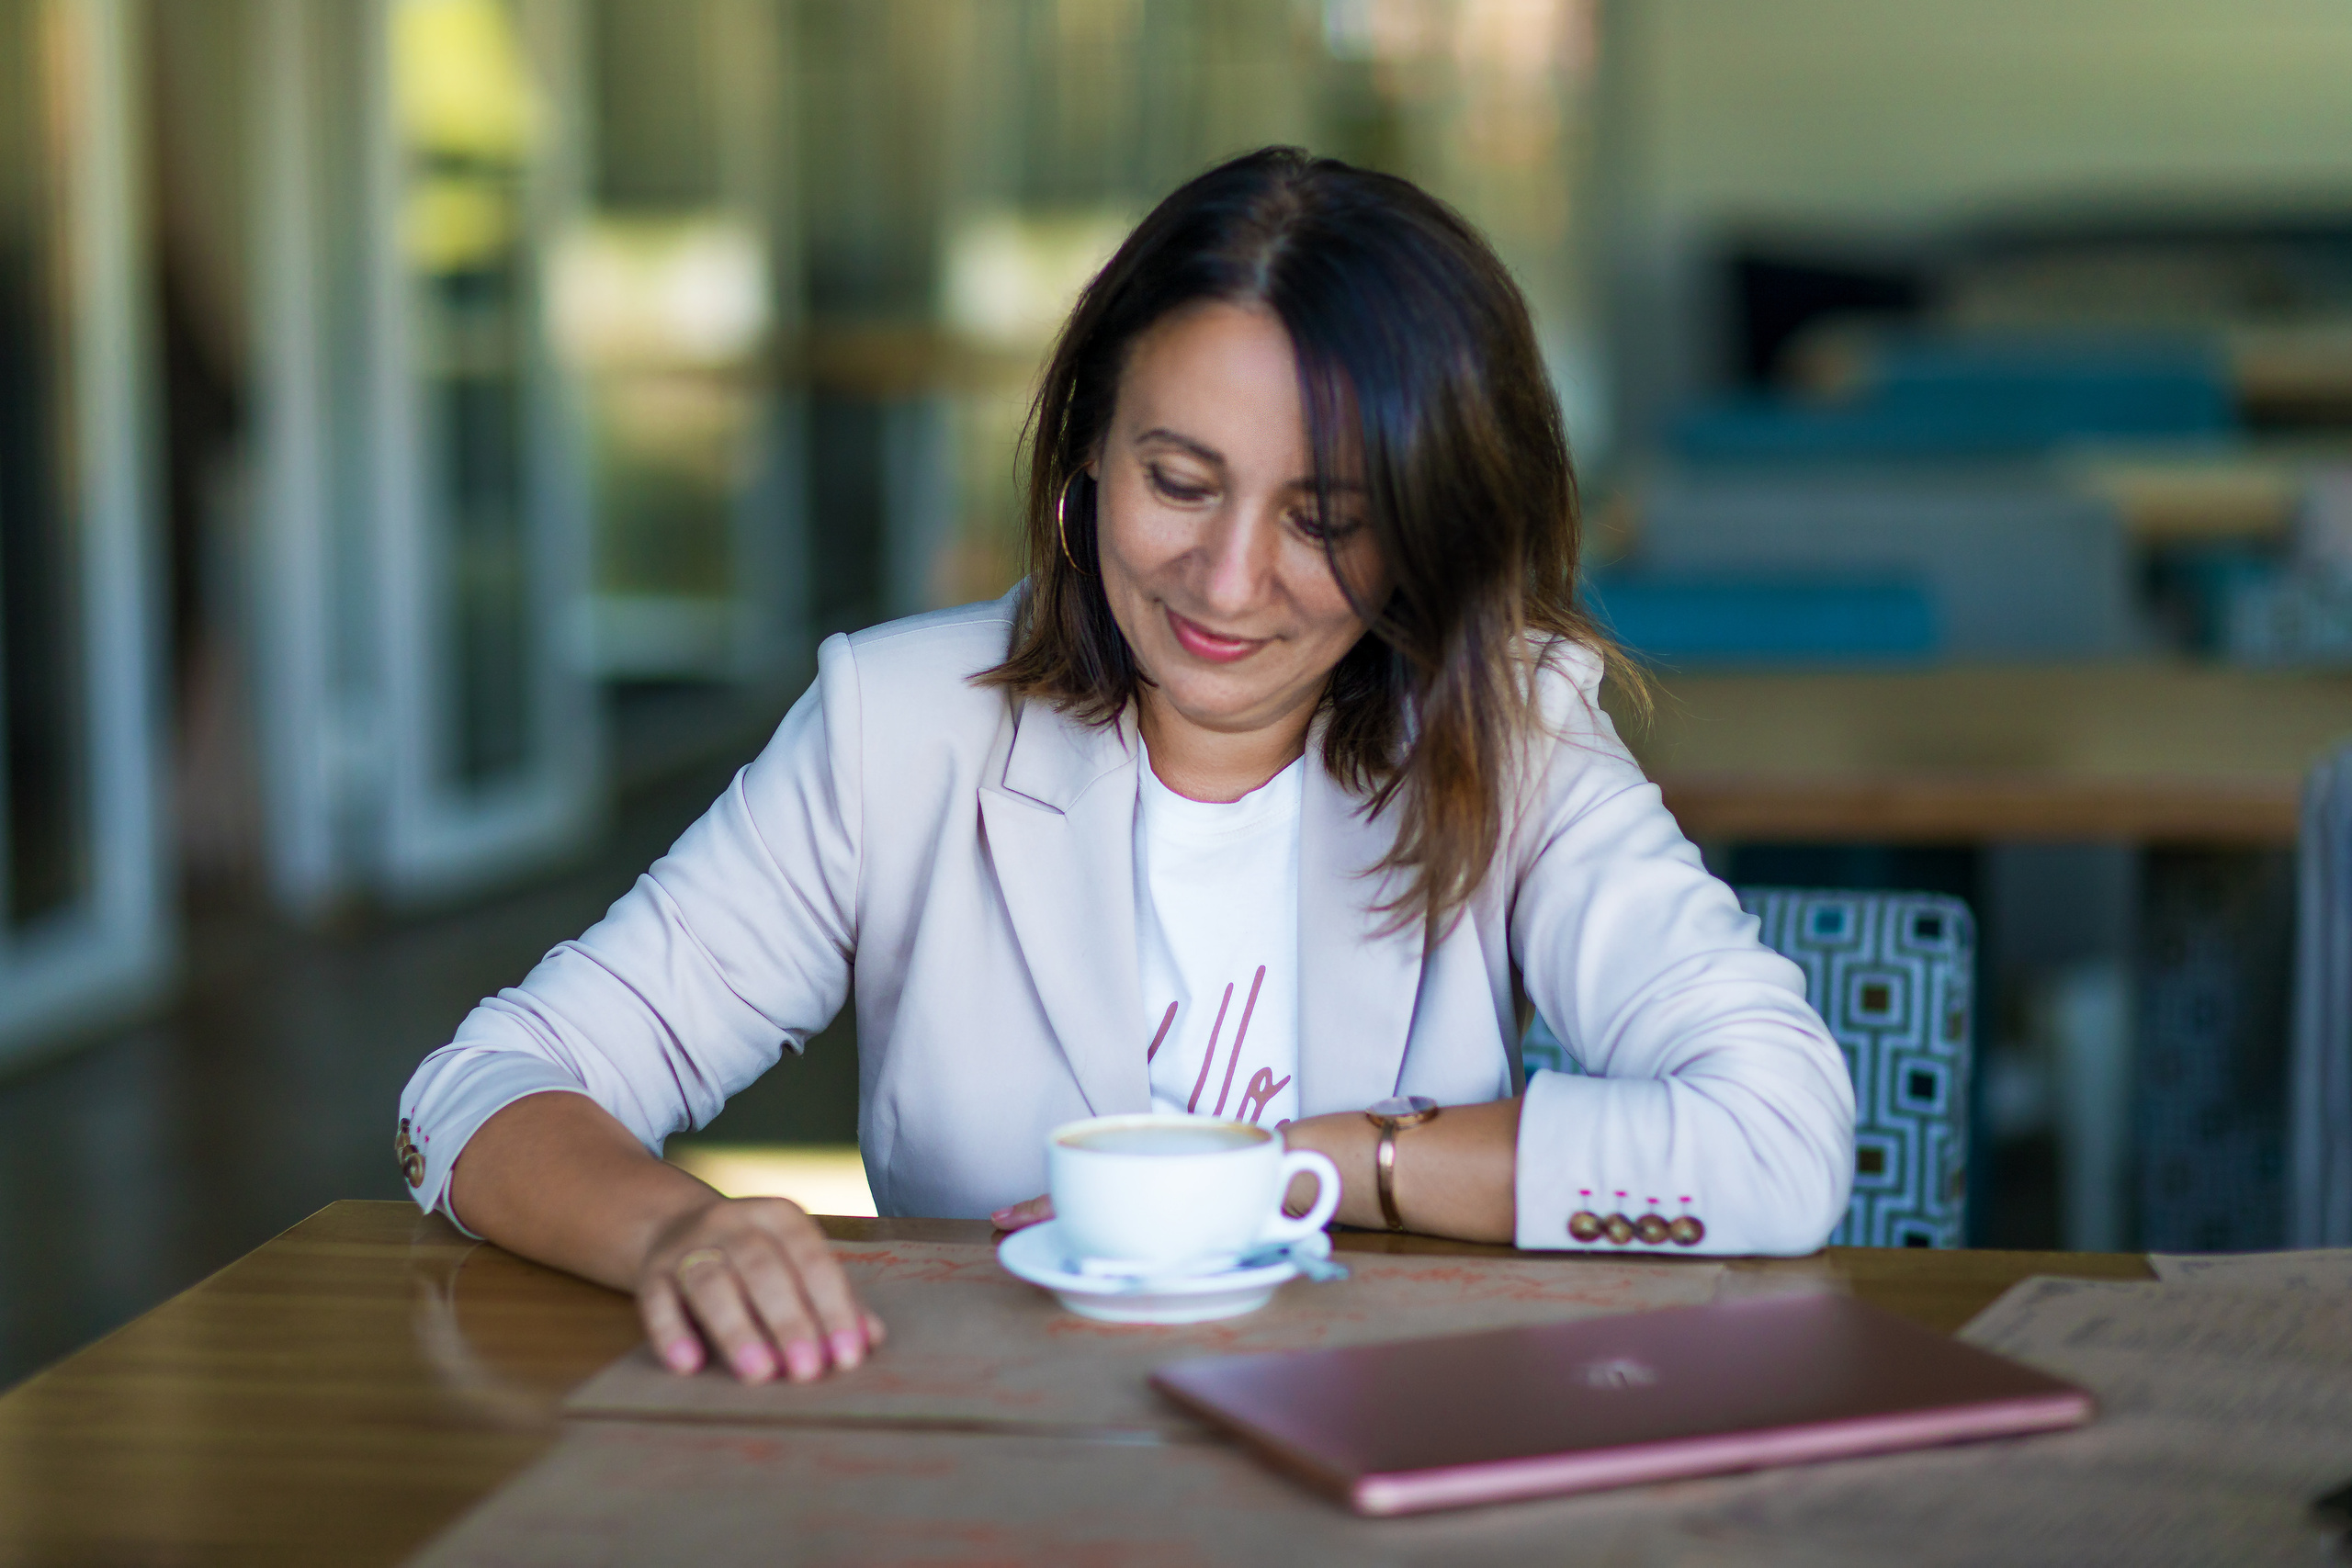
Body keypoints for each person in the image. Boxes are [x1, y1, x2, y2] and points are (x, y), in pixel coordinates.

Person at [398, 147, 1854, 1389]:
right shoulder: (900, 726)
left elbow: (1778, 1141)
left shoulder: (1506, 729)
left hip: (1378, 1453)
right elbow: (477, 1091)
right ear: (1088, 449)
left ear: (1429, 525)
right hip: (988, 1467)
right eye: (1180, 482)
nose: (1228, 580)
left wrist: (1307, 1166)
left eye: (1325, 517)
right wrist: (674, 1231)